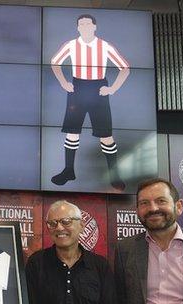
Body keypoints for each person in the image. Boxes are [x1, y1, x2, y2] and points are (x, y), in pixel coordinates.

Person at [50, 14, 130, 190]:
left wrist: (112, 89)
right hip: (77, 87)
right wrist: (64, 83)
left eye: (88, 23)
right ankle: (69, 170)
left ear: (95, 26)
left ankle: (114, 174)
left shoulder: (105, 46)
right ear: (78, 28)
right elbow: (54, 62)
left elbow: (125, 68)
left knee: (106, 135)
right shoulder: (71, 45)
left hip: (98, 89)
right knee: (72, 132)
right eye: (81, 24)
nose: (85, 26)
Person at [26, 200, 115, 304]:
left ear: (81, 226)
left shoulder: (100, 266)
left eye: (66, 221)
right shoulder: (36, 263)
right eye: (52, 223)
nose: (59, 228)